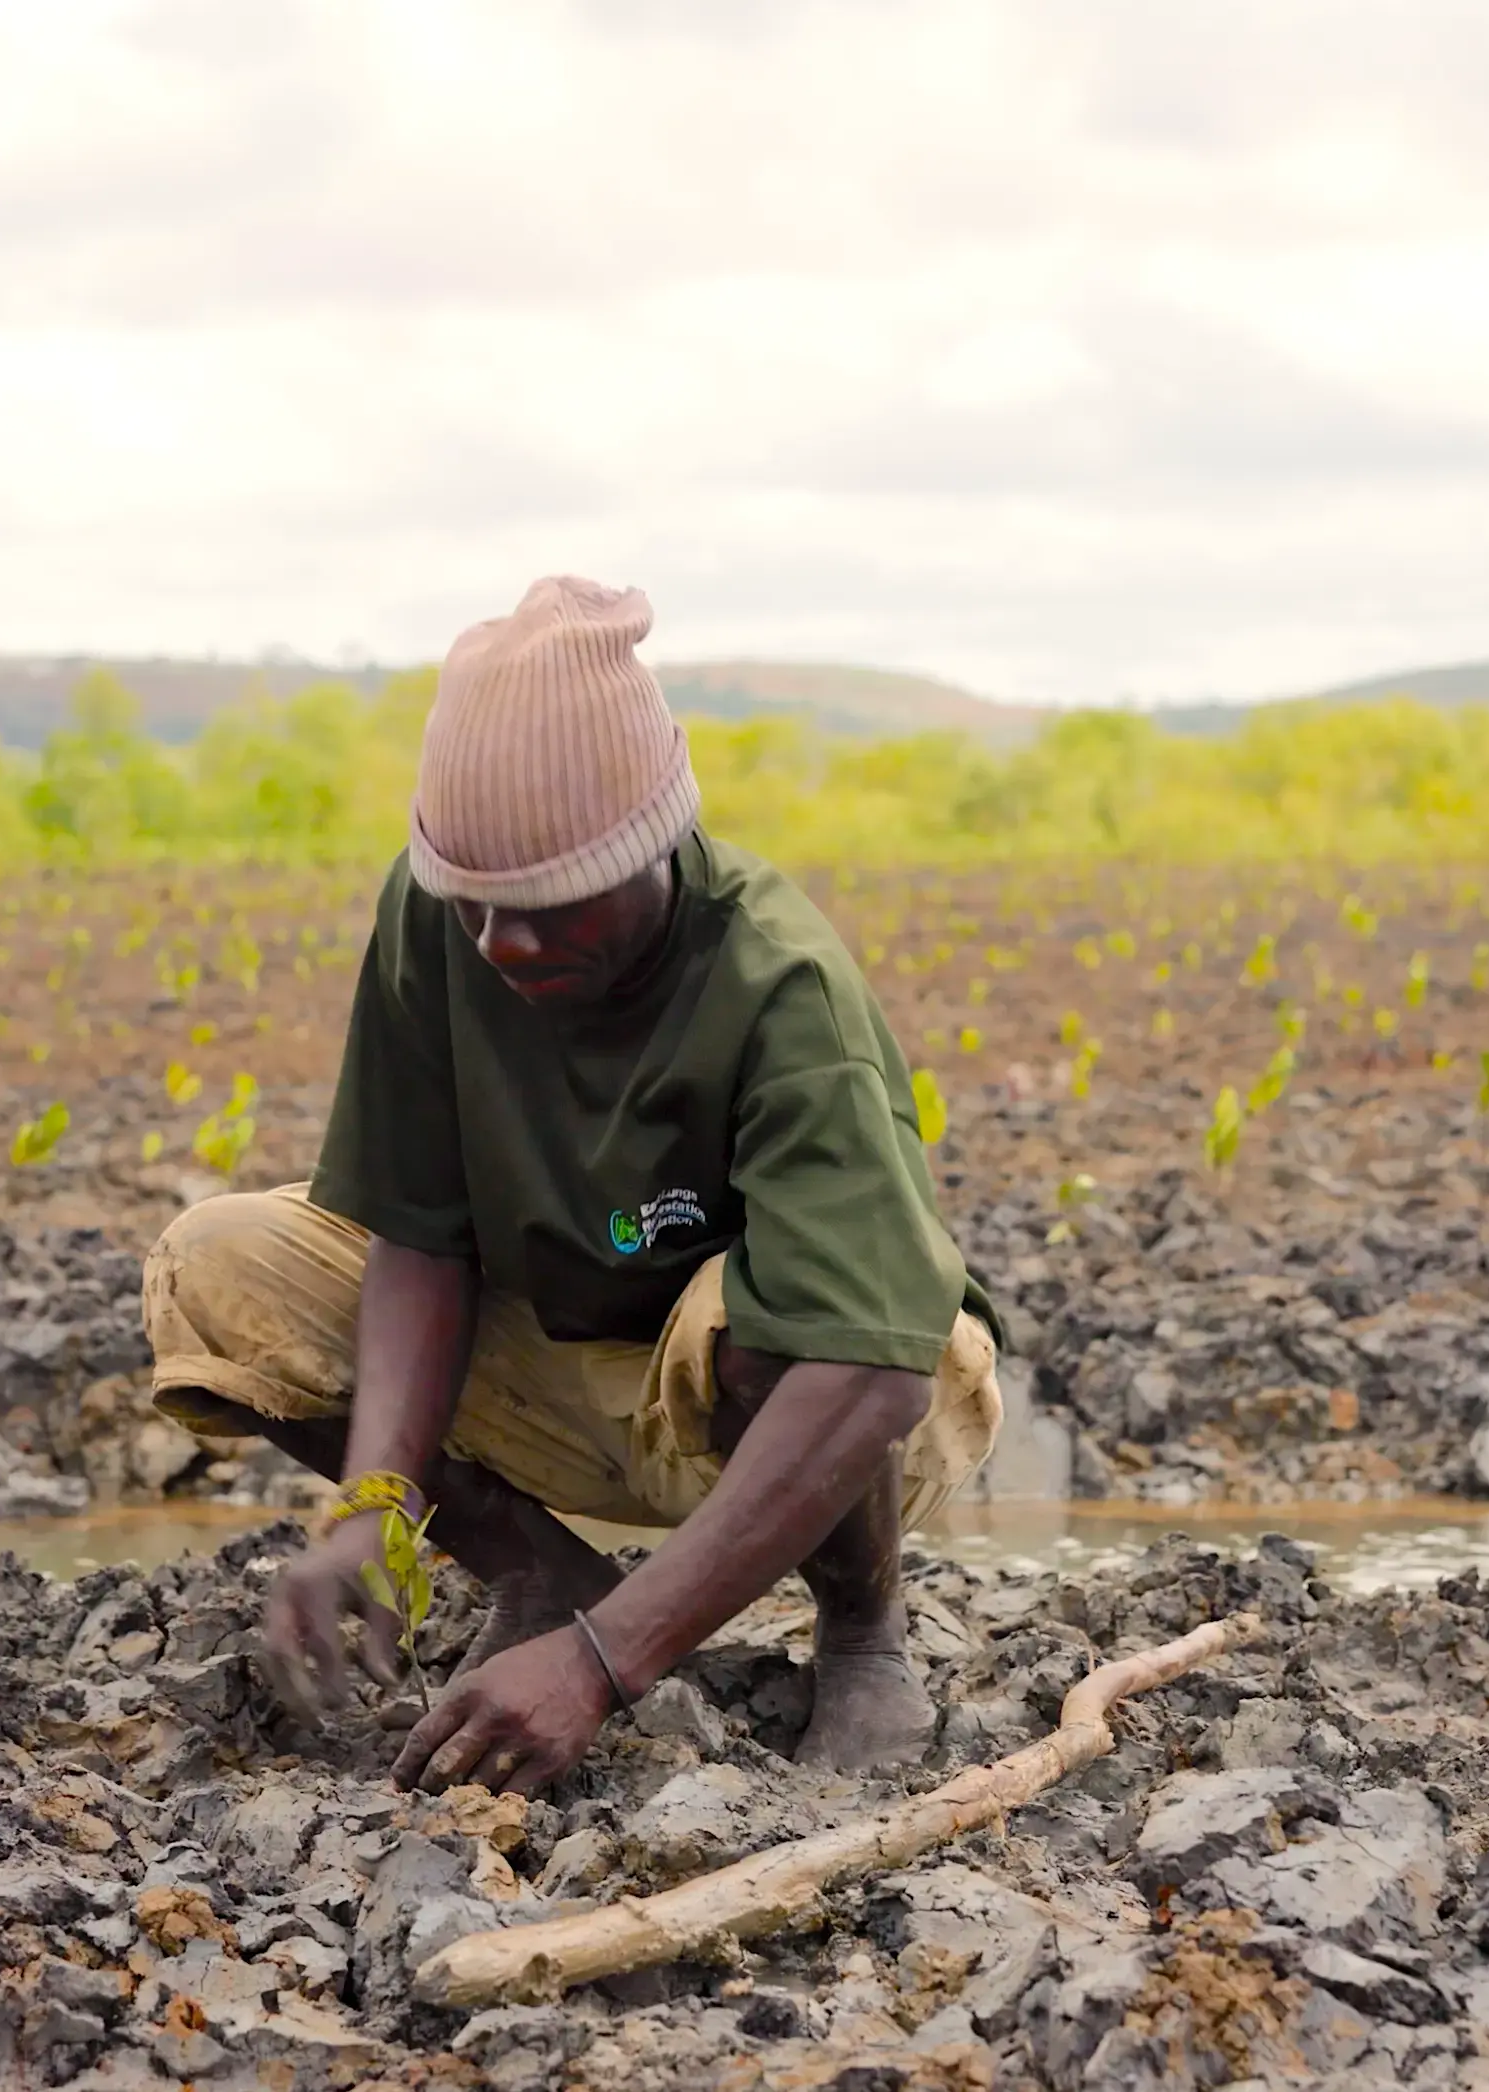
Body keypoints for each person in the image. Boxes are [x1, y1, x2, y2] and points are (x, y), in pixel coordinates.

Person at [142, 574, 1002, 1795]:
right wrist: (375, 1508)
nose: (507, 945)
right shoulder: (440, 919)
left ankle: (864, 1632)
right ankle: (542, 1574)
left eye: (549, 908)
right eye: (477, 905)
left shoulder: (776, 979)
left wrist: (604, 1668)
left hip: (829, 1406)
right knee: (219, 1261)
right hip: (561, 1358)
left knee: (779, 1321)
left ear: (651, 843)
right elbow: (418, 1234)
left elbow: (865, 1372)